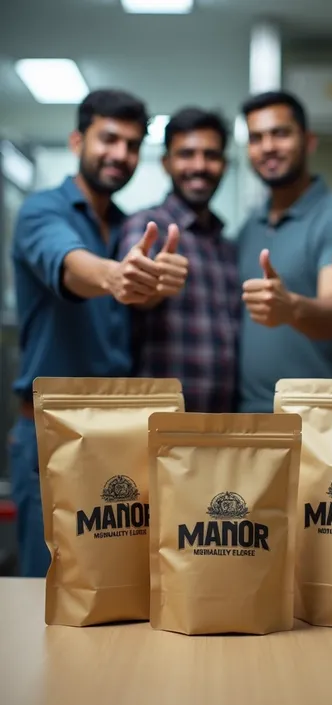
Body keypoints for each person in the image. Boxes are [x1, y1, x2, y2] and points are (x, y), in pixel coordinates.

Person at [10, 89, 188, 577]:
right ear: (77, 140)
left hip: (116, 438)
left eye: (132, 145)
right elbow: (67, 263)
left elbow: (133, 296)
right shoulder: (42, 211)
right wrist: (114, 276)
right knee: (43, 586)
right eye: (108, 139)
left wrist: (155, 285)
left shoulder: (128, 225)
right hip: (51, 437)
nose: (120, 154)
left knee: (114, 589)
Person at [237, 90, 332, 413]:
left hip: (317, 421)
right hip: (248, 420)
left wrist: (291, 307)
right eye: (256, 138)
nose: (267, 146)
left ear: (309, 141)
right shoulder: (248, 227)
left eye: (280, 134)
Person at [120, 108, 240, 412]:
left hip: (223, 426)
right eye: (186, 154)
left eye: (210, 155)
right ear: (166, 163)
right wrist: (150, 285)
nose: (199, 166)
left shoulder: (226, 246)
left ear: (223, 165)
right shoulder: (146, 227)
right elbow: (132, 293)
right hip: (158, 428)